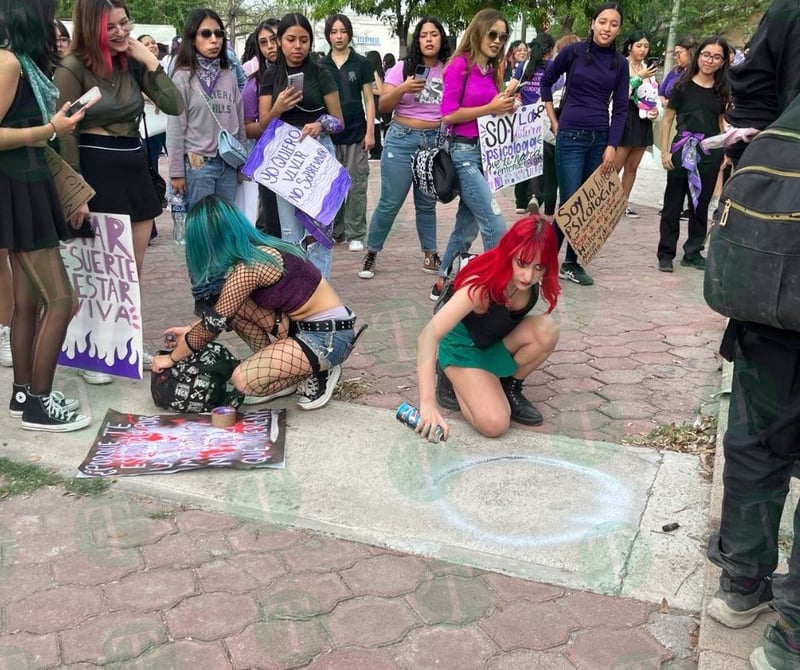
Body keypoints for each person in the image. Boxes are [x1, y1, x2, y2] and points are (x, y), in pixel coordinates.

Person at [705, 2, 800, 667]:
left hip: (780, 261)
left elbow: (753, 90)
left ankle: (744, 582)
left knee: (760, 433)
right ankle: (791, 635)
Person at [54, 0, 183, 383]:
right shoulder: (72, 67)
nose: (121, 32)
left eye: (124, 23)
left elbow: (174, 105)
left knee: (130, 270)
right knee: (97, 271)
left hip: (133, 163)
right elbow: (64, 134)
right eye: (110, 26)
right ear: (90, 27)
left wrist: (152, 62)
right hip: (94, 165)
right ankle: (92, 351)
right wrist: (76, 190)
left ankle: (125, 342)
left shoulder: (131, 62)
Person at [153, 195, 357, 411]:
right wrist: (189, 330)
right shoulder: (256, 251)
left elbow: (211, 328)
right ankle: (286, 370)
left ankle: (319, 370)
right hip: (303, 328)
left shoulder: (249, 269)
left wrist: (172, 359)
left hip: (329, 338)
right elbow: (222, 315)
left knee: (243, 382)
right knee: (236, 305)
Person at [0, 0, 90, 431]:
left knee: (29, 301)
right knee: (61, 299)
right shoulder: (8, 63)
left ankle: (24, 394)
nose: (54, 23)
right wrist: (52, 128)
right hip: (17, 188)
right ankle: (39, 402)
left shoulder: (19, 63)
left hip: (28, 185)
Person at [415, 216, 560, 440]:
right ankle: (450, 378)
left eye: (538, 267)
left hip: (492, 343)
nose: (528, 276)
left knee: (546, 330)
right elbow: (427, 336)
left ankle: (508, 387)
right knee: (495, 424)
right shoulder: (481, 284)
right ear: (510, 253)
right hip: (461, 351)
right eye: (521, 263)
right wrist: (427, 404)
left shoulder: (530, 283)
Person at [430, 9, 516, 302]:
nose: (497, 41)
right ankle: (495, 289)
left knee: (466, 228)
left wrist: (505, 108)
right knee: (495, 224)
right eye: (492, 34)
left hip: (487, 154)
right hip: (463, 154)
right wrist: (490, 108)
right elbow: (449, 114)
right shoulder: (458, 66)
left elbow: (491, 110)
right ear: (478, 32)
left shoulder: (493, 69)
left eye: (502, 36)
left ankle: (444, 282)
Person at [540, 2, 629, 287]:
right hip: (570, 137)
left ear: (618, 29)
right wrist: (554, 120)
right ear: (593, 23)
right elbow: (546, 82)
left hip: (600, 140)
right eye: (603, 22)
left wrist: (613, 145)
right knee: (569, 202)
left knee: (588, 206)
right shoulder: (574, 52)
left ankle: (571, 264)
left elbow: (622, 108)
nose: (607, 28)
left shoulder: (620, 63)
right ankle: (545, 262)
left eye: (613, 24)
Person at [357, 17, 451, 281]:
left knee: (427, 203)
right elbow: (384, 105)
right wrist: (404, 88)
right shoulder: (402, 68)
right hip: (401, 140)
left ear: (441, 39)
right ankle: (372, 251)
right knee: (390, 202)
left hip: (432, 142)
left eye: (434, 34)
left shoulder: (448, 69)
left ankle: (430, 254)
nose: (429, 39)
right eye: (423, 35)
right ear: (417, 41)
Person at [258, 12, 344, 279]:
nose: (298, 46)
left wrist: (321, 124)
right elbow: (262, 125)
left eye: (304, 40)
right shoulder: (271, 76)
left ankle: (321, 293)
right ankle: (297, 294)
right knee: (289, 232)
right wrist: (278, 107)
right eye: (291, 39)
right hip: (284, 158)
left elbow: (339, 121)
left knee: (318, 229)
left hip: (317, 154)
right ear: (280, 41)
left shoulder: (321, 73)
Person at [656, 36, 729, 273]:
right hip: (681, 151)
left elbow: (721, 123)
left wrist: (725, 151)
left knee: (700, 205)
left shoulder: (722, 90)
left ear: (722, 62)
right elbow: (667, 120)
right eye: (706, 54)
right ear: (698, 56)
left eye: (717, 57)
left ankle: (693, 252)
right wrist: (665, 151)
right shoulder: (682, 87)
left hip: (708, 154)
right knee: (673, 205)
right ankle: (666, 253)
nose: (710, 60)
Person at [166, 8, 245, 211]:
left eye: (219, 34)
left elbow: (239, 121)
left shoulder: (229, 76)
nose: (214, 40)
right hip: (197, 166)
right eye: (206, 33)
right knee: (201, 230)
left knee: (225, 227)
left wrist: (242, 163)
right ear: (193, 38)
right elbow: (175, 128)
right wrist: (176, 173)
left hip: (228, 164)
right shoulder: (182, 77)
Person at [320, 14, 375, 252]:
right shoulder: (321, 65)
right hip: (330, 134)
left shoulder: (361, 63)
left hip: (356, 132)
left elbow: (369, 100)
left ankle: (356, 233)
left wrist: (370, 132)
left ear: (349, 34)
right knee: (332, 185)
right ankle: (335, 231)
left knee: (356, 184)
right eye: (334, 32)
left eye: (342, 31)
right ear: (328, 35)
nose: (338, 36)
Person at [507, 33, 556, 216]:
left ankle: (521, 201)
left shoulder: (524, 65)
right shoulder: (552, 66)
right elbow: (556, 89)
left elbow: (511, 88)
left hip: (523, 118)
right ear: (550, 50)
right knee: (540, 159)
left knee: (525, 158)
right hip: (542, 116)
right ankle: (536, 195)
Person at [615, 30, 661, 219]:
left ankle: (622, 204)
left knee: (632, 166)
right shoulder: (621, 65)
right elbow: (620, 94)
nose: (642, 50)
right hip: (624, 116)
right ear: (630, 46)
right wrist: (638, 77)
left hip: (643, 119)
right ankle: (604, 204)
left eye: (646, 46)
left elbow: (653, 95)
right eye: (639, 45)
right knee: (614, 166)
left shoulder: (648, 70)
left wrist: (655, 110)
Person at [244, 19, 281, 237]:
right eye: (263, 42)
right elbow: (248, 128)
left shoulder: (310, 74)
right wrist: (274, 113)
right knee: (273, 225)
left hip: (302, 161)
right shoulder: (253, 84)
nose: (270, 46)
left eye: (274, 39)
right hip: (270, 162)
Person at [137, 34, 167, 177]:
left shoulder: (165, 66)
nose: (152, 46)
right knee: (151, 160)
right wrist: (154, 97)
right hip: (150, 124)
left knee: (176, 158)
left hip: (169, 121)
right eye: (147, 44)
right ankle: (156, 195)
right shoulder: (137, 69)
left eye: (153, 42)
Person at [365, 50, 384, 160]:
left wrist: (368, 90)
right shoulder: (372, 72)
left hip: (375, 101)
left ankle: (377, 150)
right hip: (373, 101)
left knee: (375, 125)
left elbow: (381, 90)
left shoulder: (375, 73)